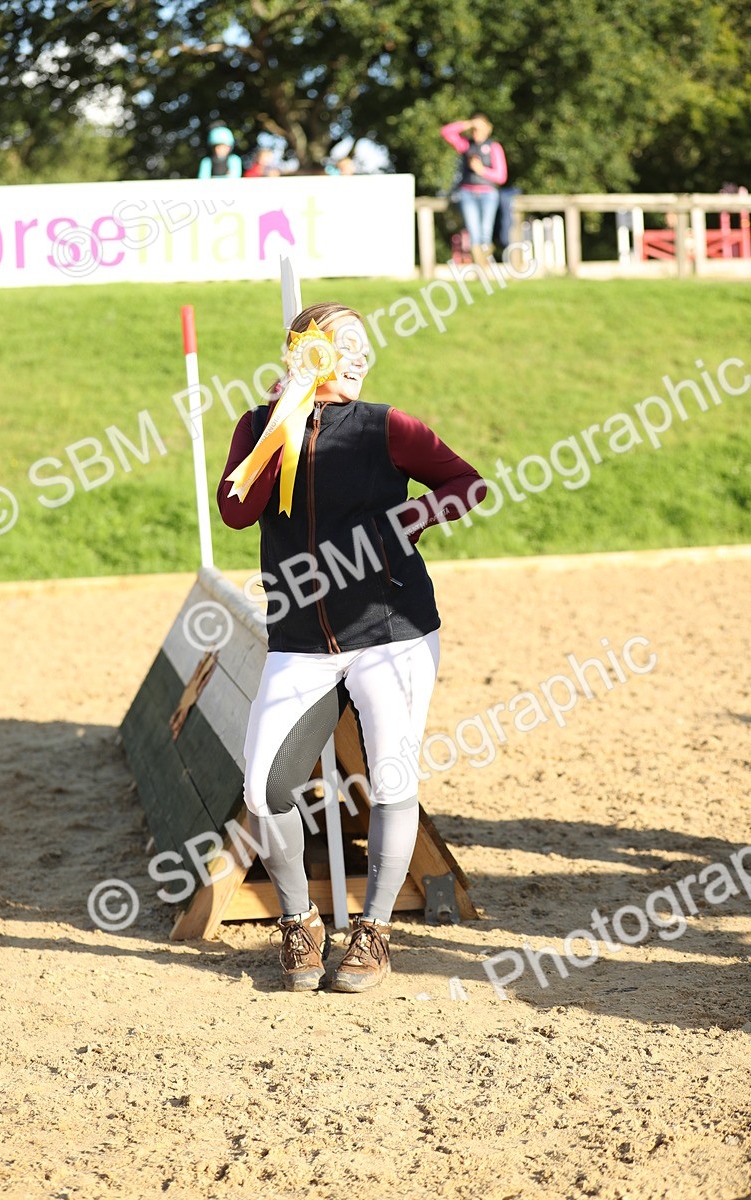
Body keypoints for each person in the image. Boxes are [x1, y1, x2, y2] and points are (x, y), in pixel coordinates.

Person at [217, 303, 486, 994]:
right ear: (308, 354)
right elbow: (236, 509)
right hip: (300, 639)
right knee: (264, 786)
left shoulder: (387, 425)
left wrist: (401, 527)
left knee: (393, 776)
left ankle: (374, 933)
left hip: (392, 631)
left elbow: (466, 484)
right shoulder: (258, 424)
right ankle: (301, 922)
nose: (362, 356)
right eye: (346, 345)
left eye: (367, 345)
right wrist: (277, 429)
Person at [441, 114, 507, 266]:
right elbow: (446, 132)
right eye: (474, 129)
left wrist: (482, 170)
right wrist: (468, 123)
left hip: (488, 193)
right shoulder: (466, 145)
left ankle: (483, 263)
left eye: (480, 128)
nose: (477, 131)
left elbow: (501, 176)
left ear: (488, 129)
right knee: (474, 231)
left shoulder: (494, 147)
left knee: (485, 231)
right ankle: (481, 267)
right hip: (467, 193)